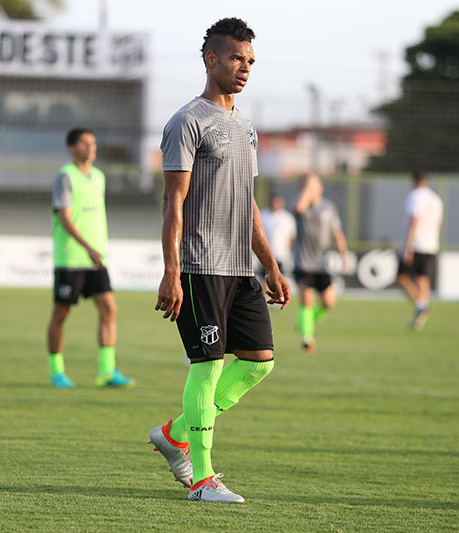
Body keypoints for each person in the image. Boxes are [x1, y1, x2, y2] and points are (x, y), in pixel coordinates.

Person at [150, 17, 290, 504]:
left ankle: (175, 435)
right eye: (236, 58)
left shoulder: (246, 129)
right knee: (206, 367)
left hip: (241, 269)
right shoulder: (186, 122)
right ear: (211, 59)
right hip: (200, 264)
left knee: (258, 363)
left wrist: (269, 263)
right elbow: (174, 201)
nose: (244, 68)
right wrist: (172, 271)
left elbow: (246, 201)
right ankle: (203, 480)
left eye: (250, 61)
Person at [46, 128, 134, 389]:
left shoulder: (98, 177)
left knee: (109, 307)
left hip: (96, 260)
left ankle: (106, 371)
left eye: (93, 143)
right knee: (61, 314)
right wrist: (88, 247)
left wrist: (97, 249)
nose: (91, 147)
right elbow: (65, 217)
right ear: (72, 148)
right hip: (71, 259)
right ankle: (57, 372)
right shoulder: (65, 176)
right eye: (85, 143)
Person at [292, 173, 350, 353]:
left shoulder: (328, 207)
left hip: (322, 264)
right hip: (303, 262)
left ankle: (305, 323)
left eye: (314, 184)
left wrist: (344, 255)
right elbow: (297, 209)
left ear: (321, 187)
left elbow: (337, 232)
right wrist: (306, 191)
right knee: (307, 301)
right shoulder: (302, 204)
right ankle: (307, 338)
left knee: (328, 303)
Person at [396, 171, 443, 329]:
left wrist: (408, 247)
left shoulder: (415, 196)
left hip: (416, 244)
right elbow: (437, 224)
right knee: (422, 278)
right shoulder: (436, 199)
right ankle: (421, 311)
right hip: (431, 244)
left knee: (401, 278)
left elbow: (414, 220)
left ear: (415, 182)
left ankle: (421, 306)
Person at [259, 193, 296, 275]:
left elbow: (292, 237)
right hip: (265, 255)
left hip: (282, 256)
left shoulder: (287, 218)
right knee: (265, 277)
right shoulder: (262, 215)